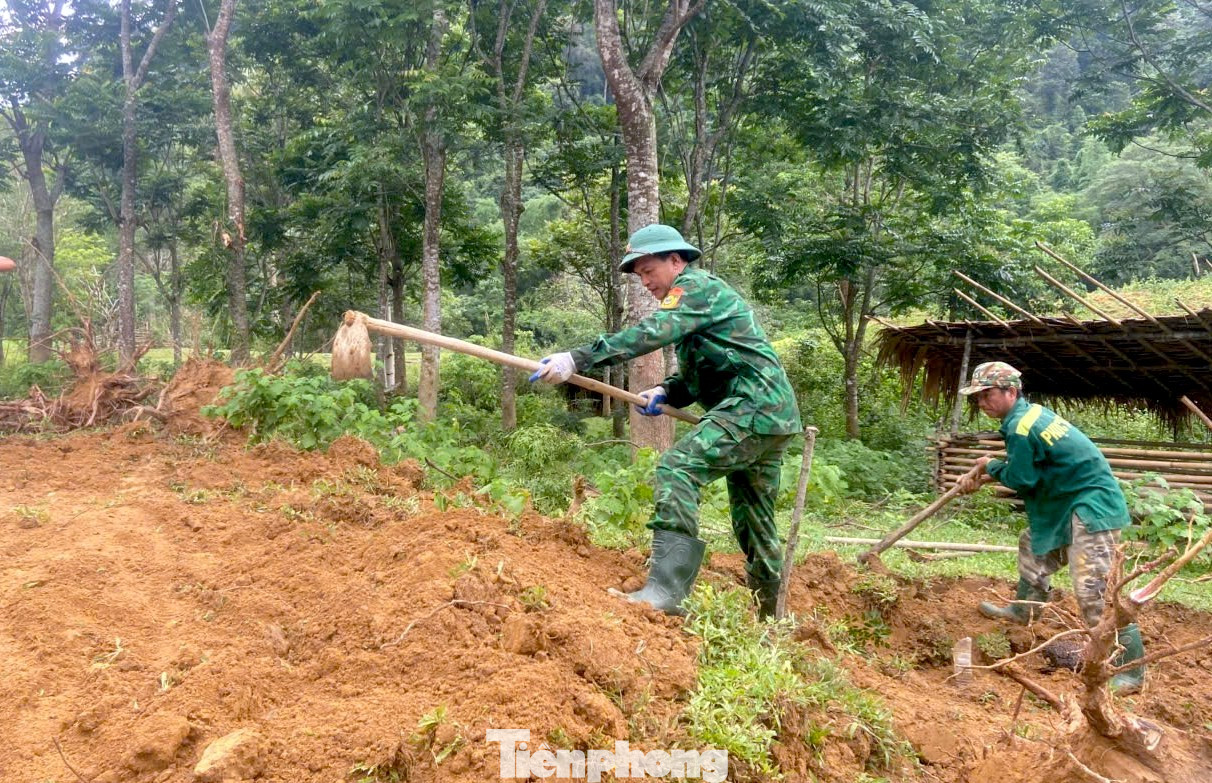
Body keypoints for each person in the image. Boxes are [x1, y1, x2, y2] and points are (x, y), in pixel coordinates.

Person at [530, 224, 802, 618]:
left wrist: (578, 358)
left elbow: (653, 332)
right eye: (639, 275)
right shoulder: (697, 304)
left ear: (676, 261)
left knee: (677, 468)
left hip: (752, 408)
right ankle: (770, 615)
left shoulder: (696, 287)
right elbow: (700, 374)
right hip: (772, 415)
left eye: (648, 271)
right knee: (753, 517)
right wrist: (667, 392)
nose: (645, 282)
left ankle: (667, 592)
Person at [956, 361, 1145, 693]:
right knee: (1032, 544)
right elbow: (1032, 468)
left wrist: (989, 465)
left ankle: (1131, 674)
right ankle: (1023, 612)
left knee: (1093, 592)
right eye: (977, 397)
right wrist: (986, 470)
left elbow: (1022, 478)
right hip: (1069, 504)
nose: (982, 403)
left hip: (1090, 509)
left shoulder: (1019, 426)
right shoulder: (1030, 416)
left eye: (987, 395)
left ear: (1011, 391)